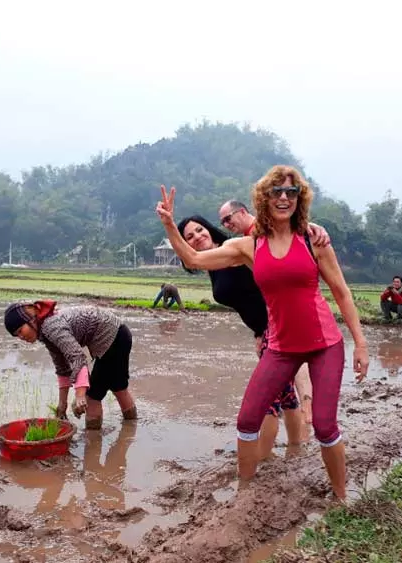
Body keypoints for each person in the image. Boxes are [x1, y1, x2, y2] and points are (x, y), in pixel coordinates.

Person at [156, 165, 369, 501]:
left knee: (326, 427)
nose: (283, 198)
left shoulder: (313, 240)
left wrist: (360, 343)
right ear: (264, 198)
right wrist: (170, 224)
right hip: (280, 346)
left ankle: (342, 498)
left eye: (291, 192)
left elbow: (341, 292)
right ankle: (245, 496)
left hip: (323, 344)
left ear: (300, 198)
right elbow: (194, 258)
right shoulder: (249, 246)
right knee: (247, 420)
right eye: (276, 192)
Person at [177, 214, 324, 458]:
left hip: (279, 329)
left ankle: (261, 458)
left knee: (268, 399)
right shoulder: (213, 266)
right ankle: (297, 448)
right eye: (189, 237)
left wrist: (307, 226)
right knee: (286, 396)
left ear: (210, 229)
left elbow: (267, 238)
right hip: (266, 333)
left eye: (199, 230)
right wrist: (259, 332)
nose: (197, 237)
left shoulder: (232, 250)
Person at [218, 200, 316, 422]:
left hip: (287, 311)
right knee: (288, 376)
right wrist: (259, 330)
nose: (226, 224)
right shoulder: (245, 242)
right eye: (223, 222)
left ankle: (308, 413)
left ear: (242, 212)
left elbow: (296, 228)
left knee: (293, 365)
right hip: (271, 320)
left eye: (228, 218)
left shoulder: (262, 230)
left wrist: (315, 227)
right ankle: (301, 429)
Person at [4, 301, 137, 430]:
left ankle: (92, 442)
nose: (21, 337)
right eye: (17, 335)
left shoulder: (51, 327)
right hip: (119, 334)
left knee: (92, 397)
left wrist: (80, 395)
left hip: (112, 338)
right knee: (119, 388)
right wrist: (62, 404)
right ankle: (131, 429)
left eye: (21, 330)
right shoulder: (44, 332)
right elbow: (62, 368)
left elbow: (77, 357)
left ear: (31, 319)